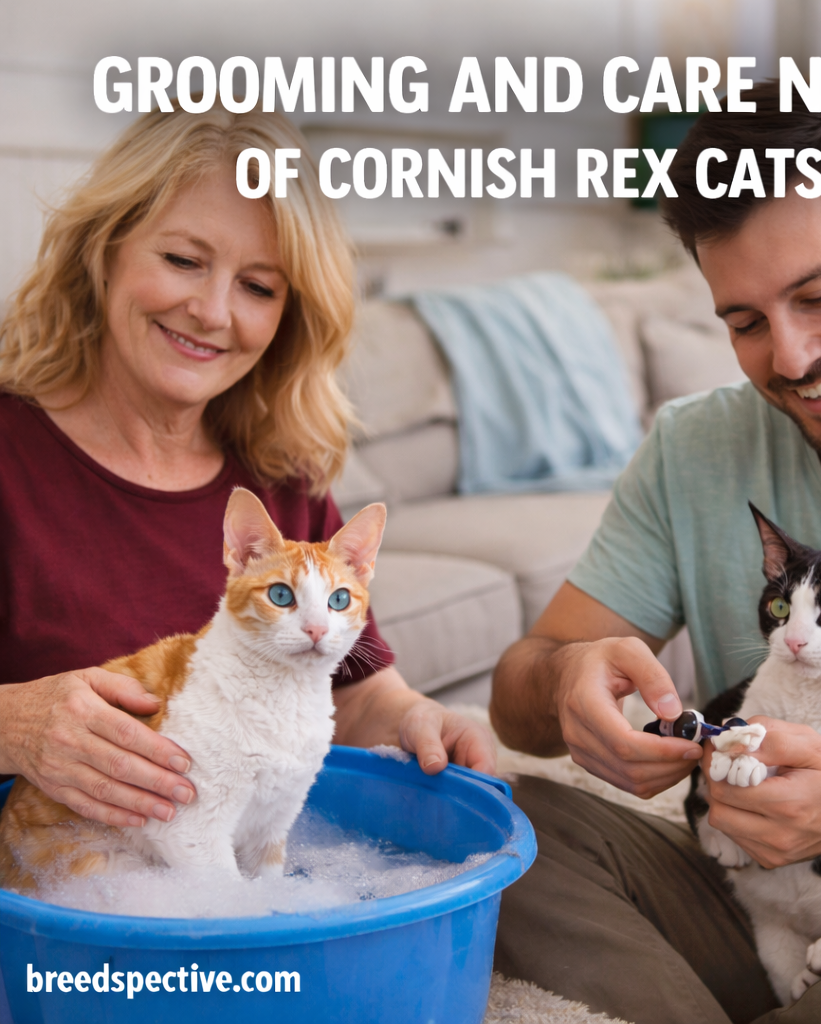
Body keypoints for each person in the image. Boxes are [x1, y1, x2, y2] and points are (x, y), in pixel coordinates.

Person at [490, 82, 821, 1024]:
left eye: (819, 295)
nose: (790, 357)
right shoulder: (691, 445)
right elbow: (515, 699)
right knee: (499, 828)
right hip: (747, 893)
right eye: (744, 322)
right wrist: (567, 682)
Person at [0, 102, 494, 833]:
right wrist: (11, 723)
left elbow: (357, 693)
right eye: (182, 260)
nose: (212, 311)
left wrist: (419, 720)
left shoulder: (282, 478)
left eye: (258, 287)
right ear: (104, 249)